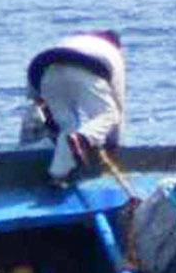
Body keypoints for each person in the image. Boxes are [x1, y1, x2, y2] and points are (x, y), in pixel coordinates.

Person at [22, 28, 128, 184]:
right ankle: (83, 138)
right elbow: (118, 105)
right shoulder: (113, 53)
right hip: (85, 67)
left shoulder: (71, 41)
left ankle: (58, 174)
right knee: (108, 115)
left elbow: (35, 99)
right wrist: (113, 143)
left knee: (67, 125)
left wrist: (44, 107)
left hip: (46, 69)